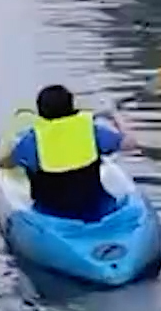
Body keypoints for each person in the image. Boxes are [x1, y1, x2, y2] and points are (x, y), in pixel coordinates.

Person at [7, 83, 129, 222]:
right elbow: (129, 144)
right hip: (96, 209)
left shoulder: (31, 140)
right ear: (72, 107)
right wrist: (118, 119)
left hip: (51, 215)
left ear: (41, 112)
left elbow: (9, 162)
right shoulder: (92, 131)